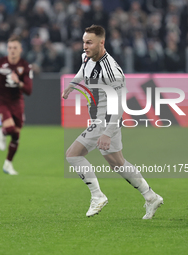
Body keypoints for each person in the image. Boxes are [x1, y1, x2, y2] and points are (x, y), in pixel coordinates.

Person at [62, 25, 163, 219]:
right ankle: (150, 196)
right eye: (84, 42)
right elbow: (83, 70)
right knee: (117, 163)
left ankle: (97, 196)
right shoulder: (88, 57)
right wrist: (72, 86)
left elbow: (120, 104)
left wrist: (108, 132)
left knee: (73, 155)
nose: (85, 46)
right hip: (99, 120)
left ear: (102, 43)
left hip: (106, 121)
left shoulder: (112, 71)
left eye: (89, 42)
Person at [0, 35, 33, 175]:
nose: (12, 50)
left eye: (15, 48)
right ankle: (2, 132)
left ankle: (8, 164)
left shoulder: (25, 66)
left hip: (17, 101)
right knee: (9, 128)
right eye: (10, 48)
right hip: (1, 100)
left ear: (20, 49)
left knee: (16, 135)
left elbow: (28, 90)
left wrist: (18, 82)